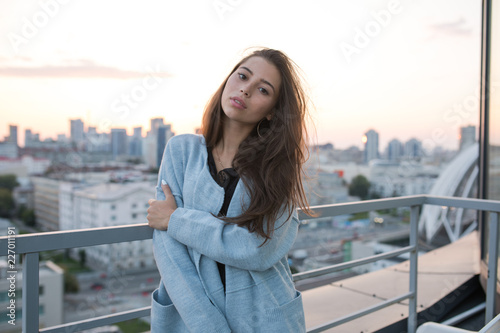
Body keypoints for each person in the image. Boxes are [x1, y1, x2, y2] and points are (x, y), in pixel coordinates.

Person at [147, 47, 315, 332]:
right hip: (189, 319)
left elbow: (257, 250)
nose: (245, 90)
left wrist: (176, 220)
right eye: (242, 76)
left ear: (273, 112)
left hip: (264, 317)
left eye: (262, 89)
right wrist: (209, 326)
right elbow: (168, 250)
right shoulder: (181, 151)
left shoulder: (278, 169)